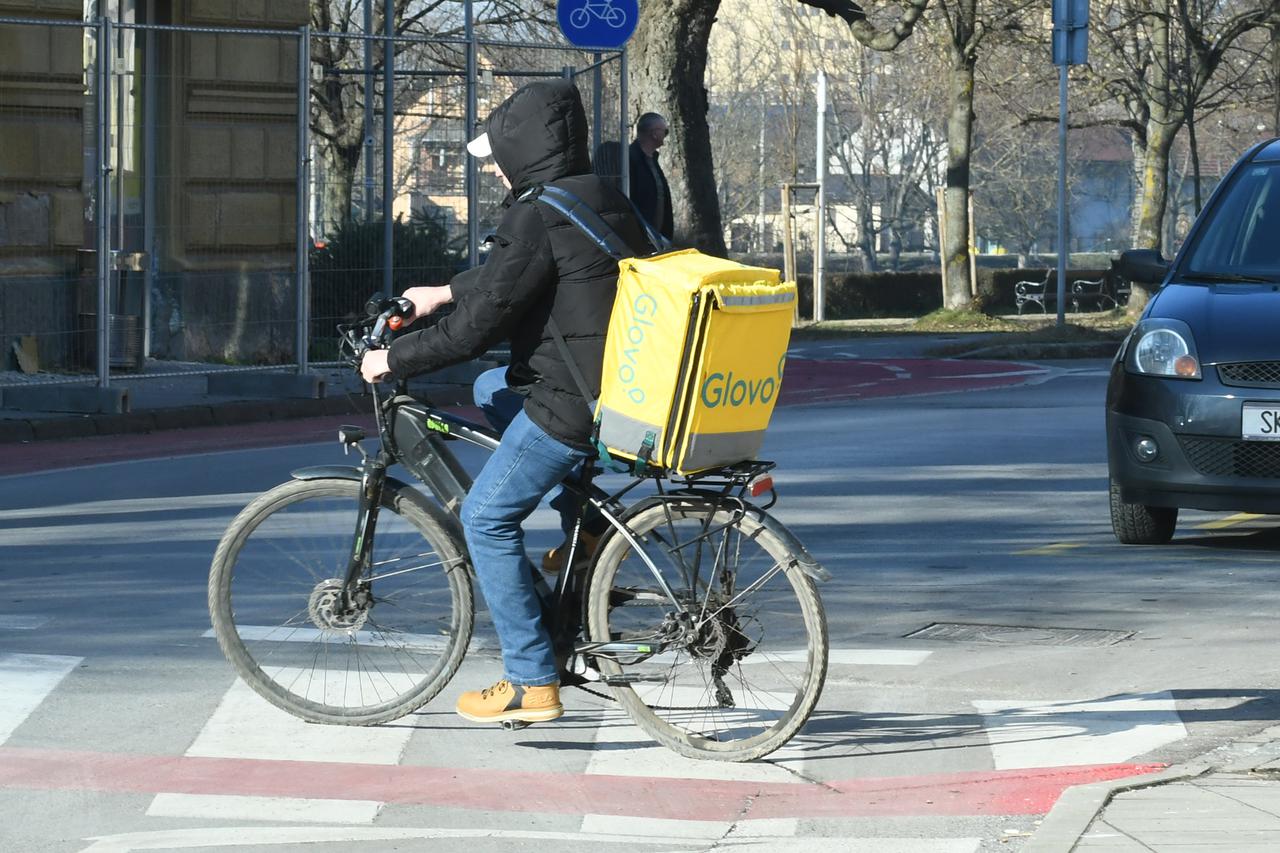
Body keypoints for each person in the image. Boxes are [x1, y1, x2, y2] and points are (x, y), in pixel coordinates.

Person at [359, 79, 654, 725]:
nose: (492, 167)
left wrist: (393, 359)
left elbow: (481, 325)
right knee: (492, 387)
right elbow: (508, 276)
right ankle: (589, 521)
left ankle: (529, 680)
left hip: (573, 400)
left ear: (523, 150)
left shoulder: (536, 212)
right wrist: (442, 289)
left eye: (495, 155)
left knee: (487, 517)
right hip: (626, 387)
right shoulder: (598, 198)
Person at [628, 112, 674, 240]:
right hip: (638, 238)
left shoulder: (652, 160)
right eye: (665, 131)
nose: (666, 135)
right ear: (654, 133)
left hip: (656, 240)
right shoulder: (630, 160)